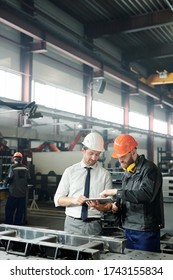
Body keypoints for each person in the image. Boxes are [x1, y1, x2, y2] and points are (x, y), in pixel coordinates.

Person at [100, 134, 164, 253]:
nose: (120, 160)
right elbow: (127, 195)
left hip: (145, 230)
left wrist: (116, 192)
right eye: (119, 157)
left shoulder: (150, 169)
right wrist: (117, 206)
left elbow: (146, 194)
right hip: (128, 227)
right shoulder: (129, 171)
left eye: (123, 156)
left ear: (133, 151)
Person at [54, 132, 113, 236]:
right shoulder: (70, 171)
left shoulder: (105, 175)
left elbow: (109, 205)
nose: (94, 158)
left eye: (97, 154)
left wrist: (98, 207)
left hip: (94, 225)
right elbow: (58, 199)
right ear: (83, 150)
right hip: (72, 224)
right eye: (91, 153)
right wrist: (74, 200)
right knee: (70, 252)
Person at [5, 152, 31, 225]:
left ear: (14, 158)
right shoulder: (25, 168)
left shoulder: (12, 167)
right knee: (20, 211)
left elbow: (9, 178)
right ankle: (18, 225)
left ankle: (8, 224)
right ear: (21, 159)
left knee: (9, 210)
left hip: (13, 193)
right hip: (22, 194)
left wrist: (5, 181)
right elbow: (29, 179)